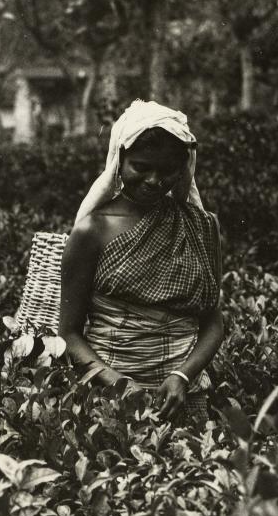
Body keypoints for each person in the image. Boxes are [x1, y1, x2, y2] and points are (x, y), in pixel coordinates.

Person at [59, 100, 227, 423]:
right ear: (119, 160)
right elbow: (69, 333)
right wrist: (120, 384)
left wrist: (182, 376)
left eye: (166, 171)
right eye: (141, 166)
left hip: (184, 398)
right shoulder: (93, 231)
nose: (153, 180)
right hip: (107, 399)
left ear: (183, 168)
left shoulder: (201, 226)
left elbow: (213, 321)